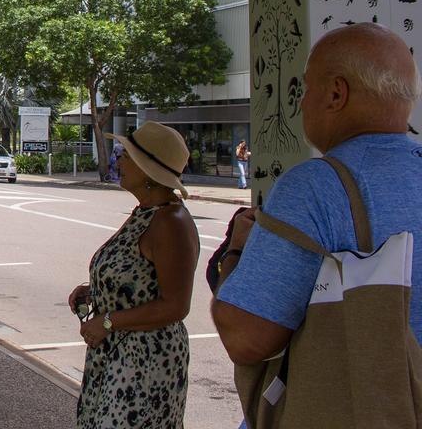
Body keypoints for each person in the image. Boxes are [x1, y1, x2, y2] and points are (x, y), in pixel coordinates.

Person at [212, 24, 422, 381]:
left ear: (336, 93)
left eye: (307, 87)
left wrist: (235, 253)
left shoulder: (315, 186)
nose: (303, 101)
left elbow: (245, 338)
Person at [68, 121, 199, 428]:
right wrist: (97, 291)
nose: (120, 162)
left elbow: (176, 305)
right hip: (119, 354)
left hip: (146, 362)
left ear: (149, 169)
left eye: (126, 155)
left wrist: (109, 321)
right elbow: (139, 279)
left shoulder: (171, 221)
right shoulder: (146, 212)